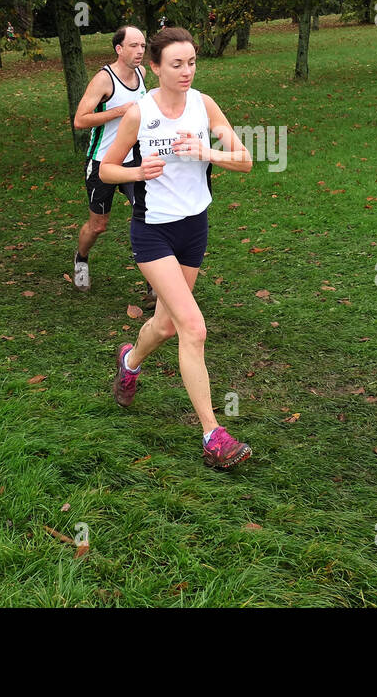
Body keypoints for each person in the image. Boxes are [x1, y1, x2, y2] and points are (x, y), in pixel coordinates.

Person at [99, 26, 255, 470]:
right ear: (155, 66)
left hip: (194, 228)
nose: (186, 72)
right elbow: (106, 169)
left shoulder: (204, 106)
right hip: (153, 232)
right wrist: (136, 174)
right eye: (176, 64)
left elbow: (244, 161)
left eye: (191, 63)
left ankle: (129, 362)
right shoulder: (139, 114)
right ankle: (213, 436)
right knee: (193, 327)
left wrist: (206, 152)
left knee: (166, 326)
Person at [71, 26, 151, 298]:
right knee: (98, 225)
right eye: (133, 45)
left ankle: (155, 279)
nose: (140, 51)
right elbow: (80, 120)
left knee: (147, 214)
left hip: (133, 160)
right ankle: (81, 258)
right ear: (119, 49)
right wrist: (119, 111)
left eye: (143, 45)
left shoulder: (141, 74)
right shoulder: (104, 80)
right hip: (102, 162)